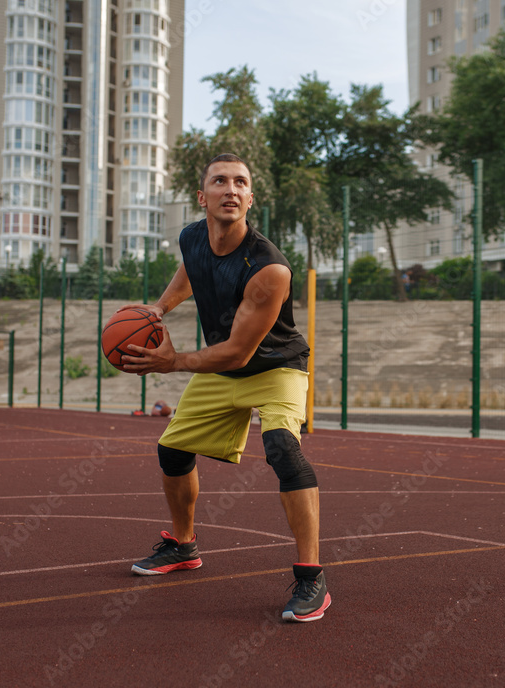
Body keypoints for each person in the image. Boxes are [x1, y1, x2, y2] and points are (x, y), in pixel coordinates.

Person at [117, 153, 330, 623]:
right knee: (172, 450)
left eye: (240, 182)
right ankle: (183, 546)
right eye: (220, 181)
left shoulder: (269, 267)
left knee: (282, 449)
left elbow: (236, 352)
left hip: (275, 367)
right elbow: (192, 270)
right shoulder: (192, 237)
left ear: (250, 198)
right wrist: (160, 308)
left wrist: (173, 362)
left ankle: (311, 577)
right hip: (223, 367)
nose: (230, 189)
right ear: (203, 196)